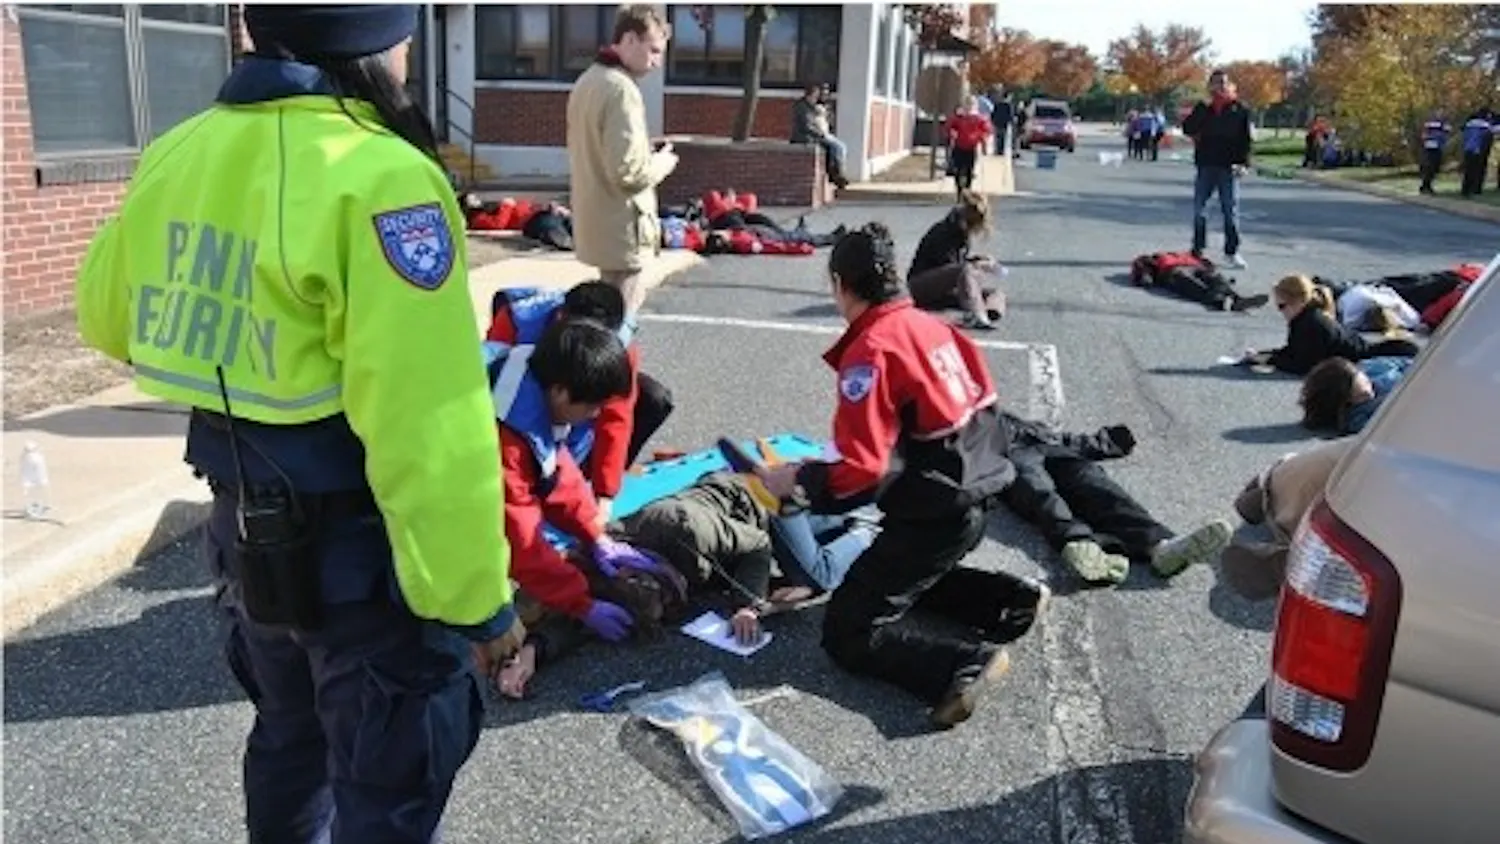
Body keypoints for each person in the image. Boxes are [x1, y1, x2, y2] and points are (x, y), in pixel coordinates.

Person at [73, 7, 523, 841]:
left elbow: (107, 317)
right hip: (360, 560)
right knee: (387, 783)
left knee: (289, 742)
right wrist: (480, 606)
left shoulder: (179, 151)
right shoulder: (382, 177)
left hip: (244, 536)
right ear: (379, 43)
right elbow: (431, 429)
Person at [754, 223, 1048, 730]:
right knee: (890, 573)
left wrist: (798, 482)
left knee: (848, 631)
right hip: (977, 491)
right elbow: (985, 407)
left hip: (933, 510)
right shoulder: (936, 328)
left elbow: (861, 467)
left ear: (841, 285)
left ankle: (960, 663)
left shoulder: (870, 352)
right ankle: (1007, 600)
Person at [485, 318, 673, 648]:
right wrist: (581, 604)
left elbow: (556, 472)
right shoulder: (500, 436)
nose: (596, 415)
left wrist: (595, 535)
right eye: (592, 405)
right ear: (561, 391)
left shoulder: (532, 387)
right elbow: (519, 537)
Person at [487, 281, 674, 523]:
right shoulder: (518, 322)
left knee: (653, 398)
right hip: (514, 410)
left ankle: (582, 477)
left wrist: (604, 495)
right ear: (562, 317)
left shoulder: (618, 340)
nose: (596, 413)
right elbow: (499, 397)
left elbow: (616, 416)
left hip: (562, 408)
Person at [997, 414, 1233, 586]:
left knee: (1096, 484)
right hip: (1002, 458)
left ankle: (1161, 548)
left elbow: (1056, 438)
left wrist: (1105, 441)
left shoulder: (996, 412)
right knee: (1038, 490)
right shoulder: (965, 426)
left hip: (1048, 447)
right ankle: (1079, 543)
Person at [567, 5, 679, 314]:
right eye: (653, 51)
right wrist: (664, 162)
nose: (656, 63)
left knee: (604, 316)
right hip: (623, 225)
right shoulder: (622, 90)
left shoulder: (588, 81)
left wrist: (644, 148)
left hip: (596, 219)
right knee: (622, 318)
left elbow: (597, 147)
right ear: (629, 39)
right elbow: (630, 173)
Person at [1241, 275, 1420, 376]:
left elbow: (1305, 365)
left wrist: (1270, 359)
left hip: (1368, 359)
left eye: (1282, 306)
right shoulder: (1305, 318)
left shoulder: (1311, 323)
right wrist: (1265, 354)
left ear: (1300, 302)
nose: (1281, 312)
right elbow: (1296, 350)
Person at [1182, 69, 1254, 269]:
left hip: (1229, 166)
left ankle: (1231, 252)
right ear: (1210, 86)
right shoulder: (1204, 108)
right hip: (1206, 164)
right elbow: (1188, 128)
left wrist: (1244, 164)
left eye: (1223, 83)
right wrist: (1201, 110)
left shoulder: (1240, 110)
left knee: (1230, 210)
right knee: (1200, 210)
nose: (1219, 87)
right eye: (1215, 83)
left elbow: (1246, 140)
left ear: (1229, 85)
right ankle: (1197, 250)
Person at [907, 190, 1007, 329]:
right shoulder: (943, 232)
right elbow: (949, 267)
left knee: (996, 293)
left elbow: (957, 265)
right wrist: (975, 265)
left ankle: (988, 312)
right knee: (965, 270)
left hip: (943, 288)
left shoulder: (961, 235)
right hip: (920, 286)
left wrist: (979, 260)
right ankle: (977, 315)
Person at [1298, 356, 1413, 435]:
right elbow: (1391, 427)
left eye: (1368, 383)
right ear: (1344, 403)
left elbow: (1406, 362)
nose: (1370, 393)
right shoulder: (1355, 418)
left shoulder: (1370, 367)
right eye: (1361, 396)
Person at [791, 83, 851, 188]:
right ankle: (836, 174)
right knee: (836, 147)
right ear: (809, 95)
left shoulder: (812, 107)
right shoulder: (803, 107)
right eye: (815, 96)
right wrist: (820, 134)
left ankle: (837, 173)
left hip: (816, 135)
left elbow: (825, 122)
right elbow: (807, 126)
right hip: (805, 137)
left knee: (839, 146)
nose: (816, 99)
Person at [946, 96, 993, 199]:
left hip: (971, 147)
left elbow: (986, 130)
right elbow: (950, 126)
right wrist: (952, 134)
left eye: (971, 104)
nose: (968, 106)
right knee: (957, 170)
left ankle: (967, 191)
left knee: (969, 170)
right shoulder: (959, 117)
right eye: (967, 103)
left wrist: (983, 141)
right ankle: (959, 191)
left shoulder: (979, 118)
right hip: (959, 146)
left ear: (975, 105)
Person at [1459, 107, 1493, 197]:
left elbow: (1464, 135)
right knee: (1477, 171)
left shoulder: (1469, 123)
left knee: (1468, 170)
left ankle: (1465, 190)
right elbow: (1486, 138)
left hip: (1468, 148)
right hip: (1478, 149)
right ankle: (1475, 189)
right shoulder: (1485, 125)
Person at [1419, 111, 1451, 194]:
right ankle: (1426, 186)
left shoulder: (1444, 123)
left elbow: (1447, 133)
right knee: (1430, 167)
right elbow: (1424, 134)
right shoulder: (1432, 123)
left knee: (1433, 167)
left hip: (1436, 146)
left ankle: (1426, 185)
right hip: (1431, 146)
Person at [991, 89, 1014, 156]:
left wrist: (993, 121)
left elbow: (993, 113)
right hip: (1004, 124)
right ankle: (1001, 151)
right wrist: (1011, 122)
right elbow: (1010, 115)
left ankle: (997, 150)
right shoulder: (1008, 105)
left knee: (997, 137)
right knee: (1003, 137)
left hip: (997, 123)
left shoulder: (997, 104)